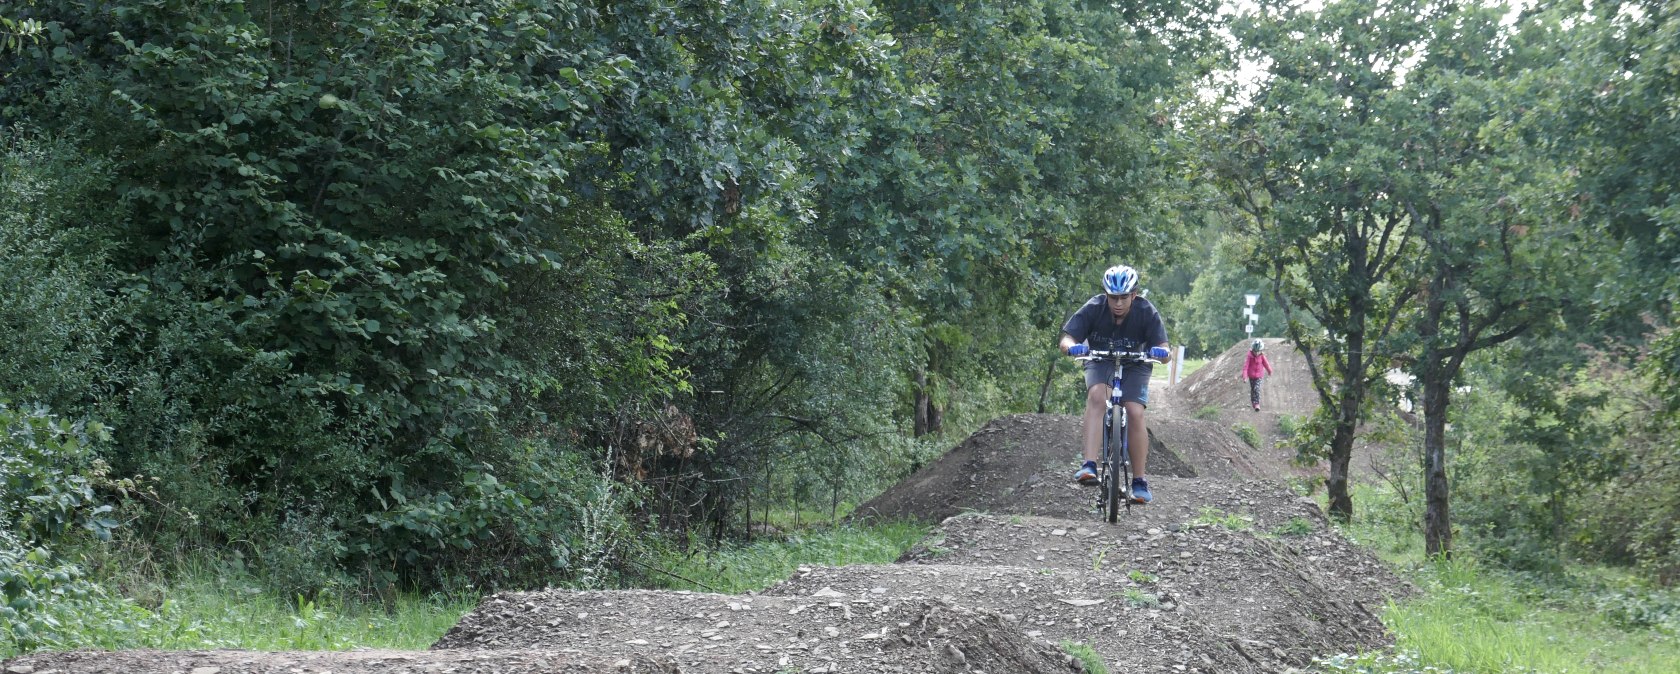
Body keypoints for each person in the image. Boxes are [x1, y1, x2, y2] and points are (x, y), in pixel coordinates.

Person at [1058, 264, 1172, 504]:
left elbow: (1164, 347)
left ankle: (1139, 481)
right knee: (1098, 396)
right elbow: (1067, 338)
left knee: (1134, 411)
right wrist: (1072, 347)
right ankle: (1089, 464)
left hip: (1135, 363)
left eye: (1123, 297)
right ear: (1106, 295)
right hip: (1100, 360)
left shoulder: (1146, 311)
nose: (1118, 303)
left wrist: (1162, 354)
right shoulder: (1094, 307)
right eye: (1113, 298)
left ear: (1134, 295)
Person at [1240, 339, 1273, 411]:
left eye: (1258, 351)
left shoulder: (1262, 356)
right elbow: (1246, 367)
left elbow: (1266, 364)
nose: (1257, 353)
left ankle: (1257, 404)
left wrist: (1269, 371)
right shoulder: (1249, 356)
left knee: (1256, 388)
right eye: (1255, 351)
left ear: (1261, 350)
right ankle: (1254, 403)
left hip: (1259, 376)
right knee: (1253, 389)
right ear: (1252, 350)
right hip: (1251, 376)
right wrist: (1245, 377)